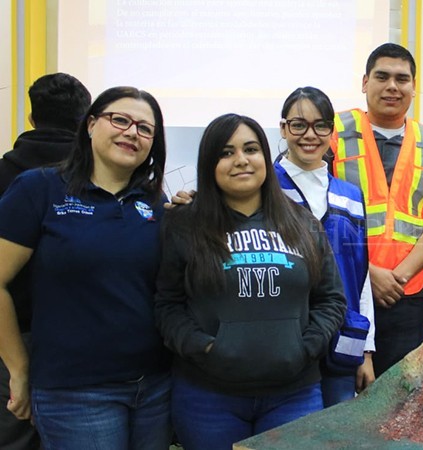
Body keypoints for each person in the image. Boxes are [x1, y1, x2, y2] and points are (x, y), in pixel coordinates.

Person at [154, 114, 346, 450]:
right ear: (210, 163)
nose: (241, 160)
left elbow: (331, 299)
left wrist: (305, 347)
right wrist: (205, 347)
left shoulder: (303, 222)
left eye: (251, 149)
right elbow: (168, 305)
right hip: (208, 398)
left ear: (265, 158)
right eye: (226, 153)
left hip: (294, 395)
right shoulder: (184, 224)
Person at [0, 86, 171, 449]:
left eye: (144, 129)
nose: (131, 133)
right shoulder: (40, 188)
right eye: (120, 120)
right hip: (74, 394)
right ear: (91, 124)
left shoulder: (155, 202)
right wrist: (18, 369)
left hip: (153, 388)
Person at [329, 43, 423, 377]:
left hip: (406, 297)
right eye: (382, 77)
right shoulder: (334, 133)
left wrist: (398, 277)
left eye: (402, 79)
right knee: (343, 395)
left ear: (414, 87)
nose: (392, 86)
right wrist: (369, 274)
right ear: (364, 82)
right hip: (343, 290)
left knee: (397, 401)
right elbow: (312, 212)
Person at [0, 72, 90, 450]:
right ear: (88, 121)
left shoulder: (3, 172)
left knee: (14, 435)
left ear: (32, 119)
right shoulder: (101, 180)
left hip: (9, 337)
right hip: (85, 339)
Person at [275, 87, 376, 406]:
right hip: (282, 343)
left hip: (341, 342)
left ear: (332, 131)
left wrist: (367, 349)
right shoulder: (265, 189)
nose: (310, 135)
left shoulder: (350, 195)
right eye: (298, 124)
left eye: (321, 125)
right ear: (283, 128)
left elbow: (361, 276)